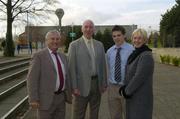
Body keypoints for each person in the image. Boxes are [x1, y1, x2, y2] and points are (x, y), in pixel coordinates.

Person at [27, 30, 72, 119]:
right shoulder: (39, 56)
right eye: (52, 39)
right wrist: (33, 99)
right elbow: (32, 79)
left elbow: (66, 76)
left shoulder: (63, 56)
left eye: (57, 39)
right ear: (46, 40)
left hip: (61, 98)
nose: (55, 41)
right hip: (45, 100)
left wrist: (69, 92)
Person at [68, 19, 107, 119]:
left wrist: (104, 83)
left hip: (96, 84)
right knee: (78, 114)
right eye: (86, 27)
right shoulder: (74, 45)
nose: (88, 29)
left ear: (94, 29)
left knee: (95, 113)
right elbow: (71, 68)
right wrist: (74, 87)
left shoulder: (100, 45)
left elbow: (103, 65)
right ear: (82, 29)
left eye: (90, 27)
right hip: (81, 87)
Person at [119, 28, 154, 119]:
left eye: (140, 38)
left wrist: (126, 91)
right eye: (135, 38)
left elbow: (139, 77)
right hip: (133, 96)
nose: (136, 40)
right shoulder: (136, 53)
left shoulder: (146, 55)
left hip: (140, 98)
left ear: (145, 40)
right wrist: (125, 87)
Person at [106, 25, 134, 119]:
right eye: (114, 36)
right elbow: (109, 68)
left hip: (127, 87)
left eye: (119, 35)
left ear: (124, 36)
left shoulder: (132, 50)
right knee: (115, 115)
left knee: (129, 114)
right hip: (113, 88)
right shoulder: (109, 52)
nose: (116, 38)